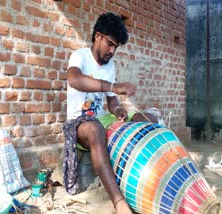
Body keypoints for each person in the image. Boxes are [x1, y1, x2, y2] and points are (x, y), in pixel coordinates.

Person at [63, 12, 157, 214]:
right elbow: (74, 79)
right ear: (98, 36)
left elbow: (111, 100)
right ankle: (119, 203)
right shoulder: (79, 56)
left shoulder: (109, 66)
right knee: (95, 128)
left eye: (116, 47)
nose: (112, 51)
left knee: (147, 118)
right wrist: (114, 86)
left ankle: (156, 176)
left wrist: (118, 110)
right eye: (110, 44)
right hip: (78, 123)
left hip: (100, 119)